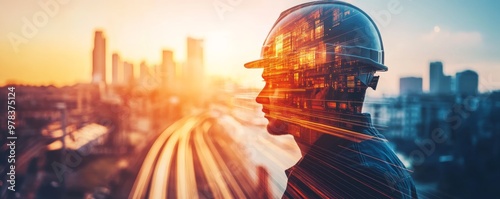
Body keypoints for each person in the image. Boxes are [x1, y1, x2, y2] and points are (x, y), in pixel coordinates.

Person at [244, 1, 418, 198]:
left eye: (273, 83)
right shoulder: (354, 163)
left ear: (320, 89)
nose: (260, 97)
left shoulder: (351, 179)